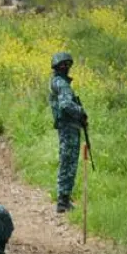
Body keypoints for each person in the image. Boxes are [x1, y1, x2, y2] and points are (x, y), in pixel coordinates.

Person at [48, 51, 86, 213]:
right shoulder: (62, 84)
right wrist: (81, 112)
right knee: (69, 162)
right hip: (68, 128)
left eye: (68, 64)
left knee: (67, 161)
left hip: (67, 127)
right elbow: (66, 105)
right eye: (64, 65)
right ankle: (63, 200)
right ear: (58, 66)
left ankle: (64, 198)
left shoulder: (56, 81)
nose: (67, 67)